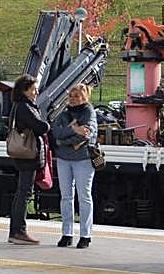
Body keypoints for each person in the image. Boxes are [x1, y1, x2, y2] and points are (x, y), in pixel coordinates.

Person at [51, 83, 97, 249]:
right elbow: (56, 132)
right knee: (66, 197)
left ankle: (86, 235)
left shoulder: (89, 112)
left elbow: (88, 133)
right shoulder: (63, 113)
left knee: (84, 197)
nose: (72, 99)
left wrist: (64, 140)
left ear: (85, 97)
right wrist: (74, 131)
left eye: (76, 95)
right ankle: (67, 233)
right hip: (63, 159)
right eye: (71, 95)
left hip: (83, 160)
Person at [8, 74, 49, 245]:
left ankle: (15, 231)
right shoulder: (25, 107)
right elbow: (40, 127)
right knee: (24, 193)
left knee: (21, 193)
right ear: (24, 90)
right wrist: (46, 124)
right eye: (33, 89)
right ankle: (19, 231)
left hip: (23, 155)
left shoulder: (19, 106)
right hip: (28, 155)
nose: (36, 92)